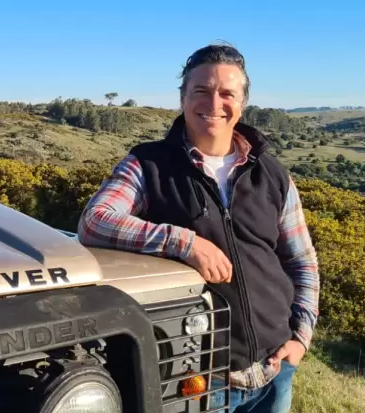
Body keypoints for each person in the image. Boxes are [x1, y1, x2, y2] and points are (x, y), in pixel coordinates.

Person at [77, 42, 320, 413]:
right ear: (183, 97)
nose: (214, 103)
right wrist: (182, 241)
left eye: (227, 93)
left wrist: (301, 338)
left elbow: (302, 262)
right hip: (197, 378)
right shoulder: (148, 164)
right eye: (201, 91)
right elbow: (95, 221)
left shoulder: (272, 173)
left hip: (276, 370)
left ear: (242, 102)